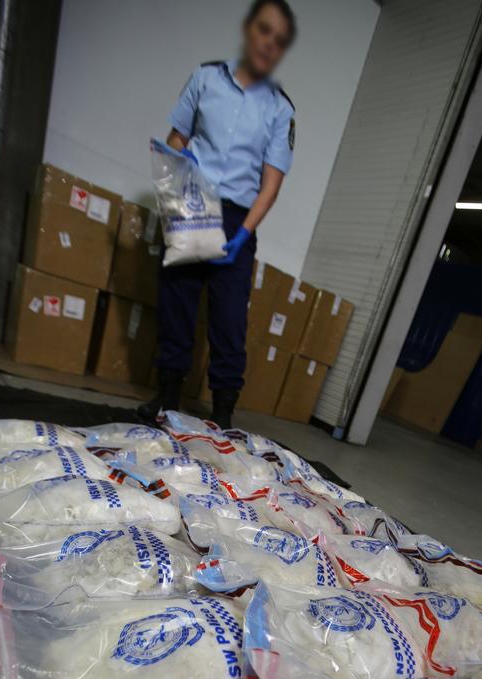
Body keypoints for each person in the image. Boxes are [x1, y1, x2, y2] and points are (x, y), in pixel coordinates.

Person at [139, 0, 297, 429]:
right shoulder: (205, 79)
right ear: (249, 30)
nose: (269, 44)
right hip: (193, 200)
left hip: (239, 218)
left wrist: (244, 235)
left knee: (229, 319)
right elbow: (177, 136)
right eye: (265, 31)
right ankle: (167, 393)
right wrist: (174, 182)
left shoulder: (281, 109)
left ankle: (223, 412)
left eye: (280, 40)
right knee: (178, 301)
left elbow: (271, 185)